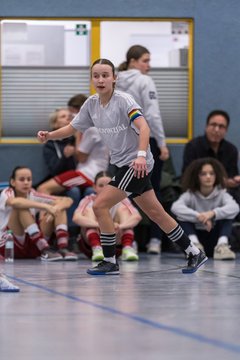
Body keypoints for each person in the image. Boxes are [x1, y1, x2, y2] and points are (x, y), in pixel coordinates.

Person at [37, 58, 208, 275]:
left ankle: (109, 260)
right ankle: (194, 252)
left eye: (105, 75)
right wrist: (49, 135)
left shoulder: (124, 101)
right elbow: (72, 127)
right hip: (123, 164)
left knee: (99, 205)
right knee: (156, 212)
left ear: (114, 78)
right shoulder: (91, 104)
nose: (100, 79)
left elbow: (144, 128)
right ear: (92, 79)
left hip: (136, 163)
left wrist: (139, 156)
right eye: (96, 75)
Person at [116, 45, 169, 254]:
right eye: (145, 60)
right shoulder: (144, 81)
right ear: (132, 61)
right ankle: (155, 239)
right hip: (145, 142)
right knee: (150, 191)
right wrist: (162, 143)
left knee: (125, 191)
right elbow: (153, 115)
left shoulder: (114, 81)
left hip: (121, 144)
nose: (149, 65)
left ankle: (130, 241)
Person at [0, 166, 77, 261]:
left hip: (33, 243)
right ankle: (44, 248)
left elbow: (67, 200)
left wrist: (55, 208)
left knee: (60, 209)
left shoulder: (32, 194)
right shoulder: (7, 193)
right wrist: (45, 206)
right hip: (9, 246)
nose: (26, 182)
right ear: (13, 182)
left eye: (29, 179)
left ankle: (62, 248)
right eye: (21, 179)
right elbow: (14, 202)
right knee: (20, 207)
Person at [171, 158, 239, 259]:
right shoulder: (190, 194)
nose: (208, 177)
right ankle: (194, 247)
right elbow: (175, 208)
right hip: (196, 235)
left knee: (228, 215)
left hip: (214, 237)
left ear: (217, 176)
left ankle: (222, 246)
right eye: (203, 174)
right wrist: (199, 216)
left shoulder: (221, 193)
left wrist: (212, 214)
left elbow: (235, 207)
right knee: (182, 217)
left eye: (212, 173)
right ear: (196, 176)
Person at [73, 171, 142, 261]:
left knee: (124, 210)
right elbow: (76, 218)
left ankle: (127, 248)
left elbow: (136, 217)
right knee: (89, 211)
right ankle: (97, 249)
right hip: (90, 245)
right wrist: (102, 225)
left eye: (108, 185)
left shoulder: (121, 199)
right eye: (101, 186)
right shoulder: (88, 199)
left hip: (116, 244)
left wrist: (119, 226)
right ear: (94, 187)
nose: (105, 189)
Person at [182, 110, 240, 206]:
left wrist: (235, 180)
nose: (216, 129)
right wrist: (221, 181)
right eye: (213, 125)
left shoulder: (231, 149)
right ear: (206, 127)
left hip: (224, 193)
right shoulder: (193, 146)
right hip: (198, 191)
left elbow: (232, 175)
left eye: (221, 127)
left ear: (226, 130)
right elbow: (187, 176)